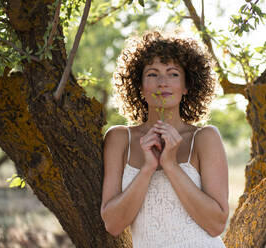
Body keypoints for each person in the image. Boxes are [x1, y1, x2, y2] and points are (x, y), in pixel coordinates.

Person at [100, 30, 229, 248]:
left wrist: (170, 165)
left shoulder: (205, 138)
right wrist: (148, 168)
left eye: (173, 74)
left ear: (187, 86)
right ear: (139, 87)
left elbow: (216, 225)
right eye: (152, 74)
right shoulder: (119, 139)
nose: (163, 82)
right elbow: (113, 224)